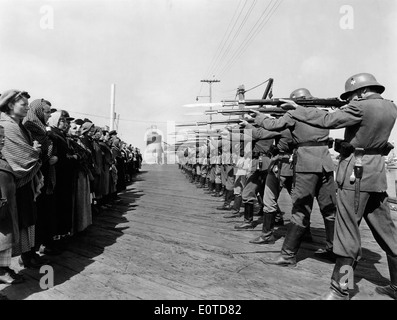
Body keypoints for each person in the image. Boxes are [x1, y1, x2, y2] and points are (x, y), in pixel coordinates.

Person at [283, 73, 397, 300]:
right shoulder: (390, 107)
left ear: (362, 91)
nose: (351, 100)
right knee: (388, 232)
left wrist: (297, 109)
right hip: (376, 175)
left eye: (352, 95)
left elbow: (327, 121)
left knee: (346, 235)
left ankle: (340, 289)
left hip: (356, 174)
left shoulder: (360, 108)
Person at [251, 88, 337, 266]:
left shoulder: (294, 114)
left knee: (299, 209)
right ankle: (333, 248)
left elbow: (272, 126)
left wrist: (258, 116)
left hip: (306, 163)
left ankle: (288, 255)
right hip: (325, 163)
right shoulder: (322, 113)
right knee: (329, 209)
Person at [0, 90, 47, 268]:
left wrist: (33, 151)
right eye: (23, 104)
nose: (27, 108)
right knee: (10, 225)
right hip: (12, 182)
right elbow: (22, 155)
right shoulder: (7, 126)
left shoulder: (20, 126)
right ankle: (9, 265)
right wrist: (35, 151)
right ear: (11, 105)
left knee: (27, 219)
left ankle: (27, 255)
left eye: (28, 105)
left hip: (23, 181)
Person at [0, 124, 24, 284]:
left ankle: (3, 268)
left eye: (3, 137)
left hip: (7, 206)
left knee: (5, 241)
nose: (2, 140)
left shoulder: (3, 158)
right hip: (1, 207)